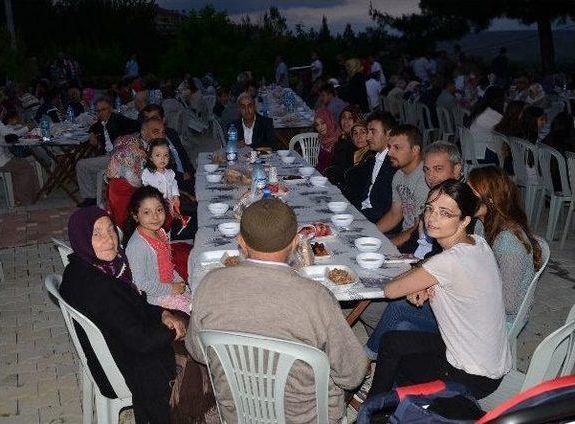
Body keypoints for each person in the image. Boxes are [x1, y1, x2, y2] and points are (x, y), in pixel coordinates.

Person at [186, 199, 368, 422]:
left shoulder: (209, 284)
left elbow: (198, 351)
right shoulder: (316, 297)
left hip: (239, 415)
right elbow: (353, 373)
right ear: (294, 243)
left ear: (241, 242)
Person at [367, 180, 511, 400]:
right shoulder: (478, 243)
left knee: (396, 361)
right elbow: (443, 270)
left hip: (470, 375)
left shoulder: (447, 263)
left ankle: (383, 410)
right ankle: (380, 407)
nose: (432, 218)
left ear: (464, 221)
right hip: (486, 359)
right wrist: (426, 281)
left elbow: (390, 290)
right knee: (393, 341)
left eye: (445, 213)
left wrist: (422, 279)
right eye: (429, 209)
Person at [60, 207, 193, 423]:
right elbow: (141, 340)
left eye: (111, 230)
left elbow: (133, 306)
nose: (110, 240)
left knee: (180, 315)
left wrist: (163, 313)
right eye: (97, 233)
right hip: (123, 365)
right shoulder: (99, 288)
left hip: (117, 345)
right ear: (82, 237)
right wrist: (172, 331)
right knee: (196, 342)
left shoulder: (82, 267)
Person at [365, 141, 463, 360]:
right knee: (372, 298)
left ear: (457, 170)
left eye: (439, 169)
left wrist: (418, 276)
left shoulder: (460, 208)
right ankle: (385, 345)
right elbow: (420, 241)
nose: (431, 176)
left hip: (448, 300)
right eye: (427, 170)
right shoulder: (437, 198)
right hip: (425, 267)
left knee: (395, 306)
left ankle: (367, 355)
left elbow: (449, 262)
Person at [468, 167, 542, 324]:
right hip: (487, 304)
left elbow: (509, 305)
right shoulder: (481, 224)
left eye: (471, 195)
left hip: (502, 320)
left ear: (491, 200)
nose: (464, 199)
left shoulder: (507, 243)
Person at [125, 187, 190, 314]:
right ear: (135, 216)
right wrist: (170, 289)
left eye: (159, 210)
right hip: (156, 300)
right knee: (195, 315)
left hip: (169, 287)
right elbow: (140, 284)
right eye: (146, 212)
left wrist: (178, 280)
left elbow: (167, 264)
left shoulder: (160, 232)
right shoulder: (137, 246)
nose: (155, 217)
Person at [76, 98, 139, 207]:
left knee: (81, 165)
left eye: (103, 109)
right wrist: (91, 133)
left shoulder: (118, 120)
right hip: (108, 156)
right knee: (87, 164)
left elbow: (137, 125)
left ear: (110, 109)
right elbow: (94, 126)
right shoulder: (101, 123)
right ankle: (94, 195)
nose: (101, 113)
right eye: (98, 110)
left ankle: (91, 197)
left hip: (117, 158)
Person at [377, 125, 428, 243]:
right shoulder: (399, 175)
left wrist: (390, 245)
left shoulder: (425, 178)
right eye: (389, 147)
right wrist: (371, 232)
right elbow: (395, 214)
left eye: (397, 148)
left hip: (420, 240)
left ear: (415, 150)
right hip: (405, 234)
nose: (389, 153)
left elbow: (418, 228)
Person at [345, 112, 398, 223]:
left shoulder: (394, 165)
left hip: (375, 221)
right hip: (362, 212)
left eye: (373, 132)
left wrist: (356, 216)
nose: (368, 137)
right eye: (368, 132)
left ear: (389, 134)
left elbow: (383, 209)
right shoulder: (373, 159)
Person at [0, 111, 39, 205]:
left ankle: (18, 197)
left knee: (20, 163)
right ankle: (24, 199)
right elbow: (12, 135)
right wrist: (28, 127)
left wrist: (20, 128)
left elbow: (8, 132)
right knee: (25, 167)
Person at [140, 104, 195, 195]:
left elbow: (184, 157)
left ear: (163, 120)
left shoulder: (171, 133)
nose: (152, 122)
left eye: (155, 118)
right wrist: (183, 177)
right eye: (147, 119)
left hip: (187, 177)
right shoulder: (147, 148)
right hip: (174, 186)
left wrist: (191, 173)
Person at [324, 105, 364, 186]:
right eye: (343, 117)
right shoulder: (342, 138)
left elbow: (345, 170)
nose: (345, 121)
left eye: (350, 118)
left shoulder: (357, 143)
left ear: (357, 121)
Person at [141, 139, 181, 216]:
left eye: (166, 155)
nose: (162, 158)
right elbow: (147, 191)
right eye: (158, 155)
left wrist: (176, 196)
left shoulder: (169, 172)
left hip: (169, 205)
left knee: (171, 220)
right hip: (156, 207)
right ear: (151, 157)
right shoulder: (147, 173)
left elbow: (173, 184)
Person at [467, 86, 505, 165]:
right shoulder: (493, 114)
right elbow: (505, 131)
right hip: (482, 154)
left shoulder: (480, 109)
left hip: (471, 152)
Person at [313, 108, 341, 174]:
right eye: (317, 125)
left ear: (329, 121)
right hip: (318, 174)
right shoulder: (323, 138)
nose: (320, 127)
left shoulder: (338, 139)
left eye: (323, 123)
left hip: (329, 177)